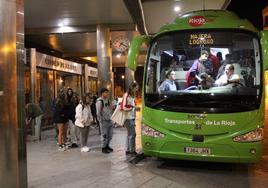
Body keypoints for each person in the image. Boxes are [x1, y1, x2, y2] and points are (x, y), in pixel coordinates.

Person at [121, 81, 139, 156]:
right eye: (136, 88)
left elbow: (131, 106)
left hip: (132, 117)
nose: (137, 89)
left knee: (129, 134)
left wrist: (135, 108)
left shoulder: (132, 95)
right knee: (133, 134)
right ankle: (132, 151)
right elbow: (124, 107)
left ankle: (128, 150)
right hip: (128, 118)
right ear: (133, 87)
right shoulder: (127, 95)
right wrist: (132, 108)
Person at [96, 88, 114, 154]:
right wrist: (100, 120)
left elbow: (110, 109)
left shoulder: (107, 100)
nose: (107, 94)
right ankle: (104, 147)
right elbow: (98, 112)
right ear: (102, 93)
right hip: (104, 121)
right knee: (104, 135)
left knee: (110, 134)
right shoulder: (99, 101)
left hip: (110, 120)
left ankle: (107, 145)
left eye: (107, 92)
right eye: (105, 92)